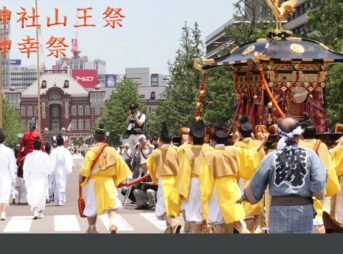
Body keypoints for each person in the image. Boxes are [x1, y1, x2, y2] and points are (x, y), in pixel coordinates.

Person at [237, 117, 327, 233]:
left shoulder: (271, 157)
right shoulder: (310, 155)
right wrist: (315, 191)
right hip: (303, 211)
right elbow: (319, 181)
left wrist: (244, 196)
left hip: (278, 212)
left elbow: (257, 182)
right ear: (299, 135)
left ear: (280, 136)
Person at [79, 124, 131, 233]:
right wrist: (118, 181)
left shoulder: (90, 151)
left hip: (94, 182)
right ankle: (112, 223)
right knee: (112, 205)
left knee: (91, 207)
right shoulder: (112, 150)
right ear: (105, 138)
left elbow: (85, 169)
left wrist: (81, 180)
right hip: (108, 181)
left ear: (93, 138)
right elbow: (122, 167)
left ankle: (92, 227)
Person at [201, 125, 247, 233]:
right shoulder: (233, 151)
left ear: (213, 141)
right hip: (232, 186)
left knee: (217, 222)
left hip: (218, 188)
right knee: (234, 219)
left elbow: (206, 177)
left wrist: (205, 195)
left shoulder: (209, 155)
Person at [299, 114, 340, 233]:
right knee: (317, 218)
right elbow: (328, 168)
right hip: (316, 187)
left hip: (298, 188)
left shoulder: (296, 146)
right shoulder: (321, 146)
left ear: (301, 133)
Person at [176, 119, 212, 233]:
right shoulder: (210, 150)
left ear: (191, 138)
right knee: (204, 214)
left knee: (193, 216)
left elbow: (183, 170)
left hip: (192, 184)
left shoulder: (186, 151)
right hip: (208, 183)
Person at [146, 123, 181, 234]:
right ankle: (171, 226)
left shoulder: (155, 153)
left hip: (164, 182)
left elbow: (151, 169)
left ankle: (174, 222)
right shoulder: (176, 150)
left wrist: (155, 180)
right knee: (171, 209)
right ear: (170, 139)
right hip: (176, 181)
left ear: (160, 140)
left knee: (161, 211)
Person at [234, 115, 267, 233]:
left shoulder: (238, 146)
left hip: (243, 182)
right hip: (258, 181)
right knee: (258, 215)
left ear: (241, 134)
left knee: (246, 215)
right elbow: (263, 162)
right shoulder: (258, 145)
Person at [23, 138, 53, 219]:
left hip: (32, 177)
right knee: (41, 194)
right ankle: (40, 212)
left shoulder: (29, 156)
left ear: (33, 146)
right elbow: (50, 168)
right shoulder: (45, 156)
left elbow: (25, 169)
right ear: (41, 146)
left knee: (33, 193)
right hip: (42, 177)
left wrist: (26, 179)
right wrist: (46, 173)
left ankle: (35, 210)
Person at [50, 135, 73, 206]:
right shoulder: (66, 151)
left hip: (57, 168)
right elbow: (69, 160)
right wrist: (68, 169)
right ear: (63, 142)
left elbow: (52, 161)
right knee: (62, 183)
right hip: (63, 168)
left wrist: (52, 170)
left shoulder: (54, 151)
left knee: (56, 184)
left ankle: (57, 199)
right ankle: (61, 199)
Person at [0, 129, 16, 220]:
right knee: (5, 194)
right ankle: (3, 212)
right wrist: (13, 178)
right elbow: (12, 165)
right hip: (5, 174)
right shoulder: (9, 151)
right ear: (4, 139)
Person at [330, 136, 343, 223]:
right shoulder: (338, 149)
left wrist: (339, 143)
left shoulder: (338, 149)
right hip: (338, 175)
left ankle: (335, 216)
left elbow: (329, 154)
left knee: (336, 197)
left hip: (337, 175)